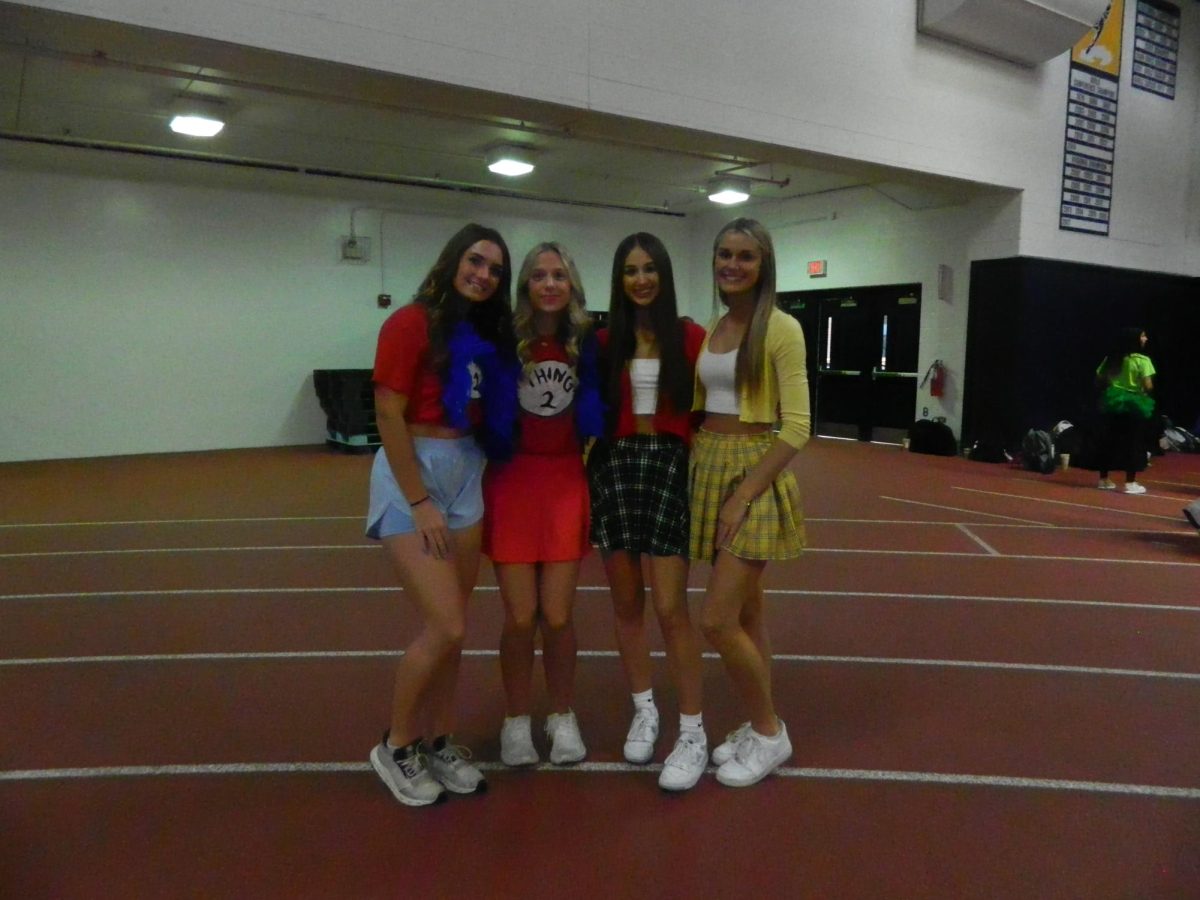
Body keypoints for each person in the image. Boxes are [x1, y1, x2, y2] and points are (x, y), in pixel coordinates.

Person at [365, 223, 514, 807]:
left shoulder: (484, 331)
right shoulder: (410, 322)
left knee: (457, 631)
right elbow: (386, 412)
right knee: (445, 624)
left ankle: (440, 741)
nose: (483, 274)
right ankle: (397, 745)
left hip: (466, 470)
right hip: (414, 474)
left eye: (495, 270)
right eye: (475, 261)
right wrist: (420, 501)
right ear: (453, 260)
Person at [691, 217, 810, 788]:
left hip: (752, 476)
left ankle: (768, 733)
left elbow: (798, 427)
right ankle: (758, 719)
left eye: (745, 256)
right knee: (747, 612)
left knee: (716, 620)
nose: (732, 264)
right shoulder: (716, 325)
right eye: (724, 254)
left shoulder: (781, 328)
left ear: (764, 266)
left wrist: (741, 494)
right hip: (709, 465)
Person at [588, 233, 709, 791]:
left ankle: (692, 730)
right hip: (614, 467)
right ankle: (645, 708)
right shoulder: (604, 339)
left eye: (650, 268)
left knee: (671, 607)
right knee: (626, 601)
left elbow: (711, 411)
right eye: (630, 270)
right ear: (619, 278)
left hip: (665, 467)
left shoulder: (690, 337)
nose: (640, 279)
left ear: (664, 273)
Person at [484, 242, 603, 767]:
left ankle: (561, 714)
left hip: (563, 484)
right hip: (513, 481)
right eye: (538, 276)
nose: (549, 284)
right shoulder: (504, 343)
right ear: (525, 287)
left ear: (571, 285)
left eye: (558, 274)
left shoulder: (588, 344)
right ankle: (515, 721)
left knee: (557, 616)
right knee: (520, 616)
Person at [1095, 327, 1155, 495]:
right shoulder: (1142, 360)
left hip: (1112, 401)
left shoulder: (1112, 358)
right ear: (1135, 339)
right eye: (1143, 336)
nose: (1146, 338)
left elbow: (1099, 378)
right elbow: (1148, 385)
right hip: (1134, 403)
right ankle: (1130, 482)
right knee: (1133, 442)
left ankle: (1103, 479)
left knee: (1109, 440)